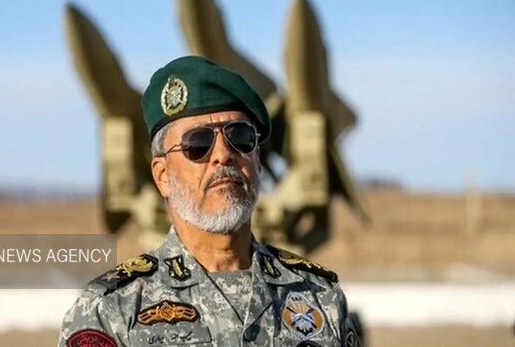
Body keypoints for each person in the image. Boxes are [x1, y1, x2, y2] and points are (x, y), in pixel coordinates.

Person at [59, 56, 361, 347]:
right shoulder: (111, 311)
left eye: (240, 137)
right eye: (198, 144)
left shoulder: (320, 298)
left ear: (257, 160)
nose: (223, 155)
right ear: (162, 176)